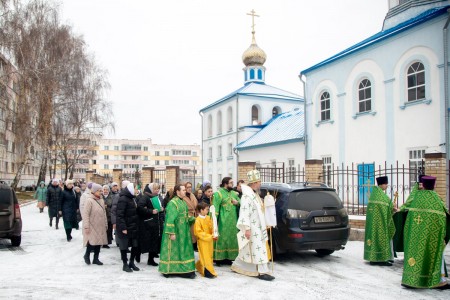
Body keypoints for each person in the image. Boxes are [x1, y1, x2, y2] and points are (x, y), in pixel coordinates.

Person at [401, 176, 450, 289]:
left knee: (415, 254)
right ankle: (438, 281)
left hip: (415, 235)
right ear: (434, 186)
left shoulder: (416, 198)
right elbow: (444, 217)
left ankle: (411, 279)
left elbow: (407, 215)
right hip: (431, 236)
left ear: (422, 185)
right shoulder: (436, 199)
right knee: (436, 255)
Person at [231, 170, 274, 281]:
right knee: (257, 250)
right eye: (259, 182)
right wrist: (247, 229)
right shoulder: (247, 197)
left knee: (250, 250)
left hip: (259, 227)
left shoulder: (255, 194)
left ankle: (238, 266)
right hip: (252, 228)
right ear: (254, 183)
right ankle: (262, 272)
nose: (260, 184)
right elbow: (244, 213)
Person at [159, 184, 196, 279]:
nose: (185, 191)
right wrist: (171, 233)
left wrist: (194, 219)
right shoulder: (173, 203)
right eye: (183, 190)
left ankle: (184, 269)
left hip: (184, 231)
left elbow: (184, 216)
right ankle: (171, 269)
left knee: (183, 250)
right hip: (176, 231)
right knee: (175, 250)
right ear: (177, 191)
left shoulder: (183, 202)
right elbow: (170, 219)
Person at [364, 176, 395, 266]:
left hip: (373, 223)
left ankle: (373, 258)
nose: (386, 186)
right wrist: (393, 208)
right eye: (385, 184)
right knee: (381, 238)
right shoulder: (381, 196)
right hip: (380, 223)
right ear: (381, 184)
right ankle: (382, 259)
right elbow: (388, 205)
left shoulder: (375, 194)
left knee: (374, 238)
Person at [213, 177, 240, 265]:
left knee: (232, 239)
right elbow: (215, 208)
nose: (233, 184)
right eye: (231, 183)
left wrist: (237, 203)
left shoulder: (234, 194)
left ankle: (230, 257)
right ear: (225, 184)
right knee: (222, 239)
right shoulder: (218, 194)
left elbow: (241, 203)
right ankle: (219, 258)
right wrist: (214, 222)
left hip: (233, 222)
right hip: (222, 222)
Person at [137, 183, 165, 266]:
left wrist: (161, 209)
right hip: (147, 224)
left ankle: (151, 259)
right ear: (150, 189)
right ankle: (137, 253)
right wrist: (151, 211)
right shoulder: (145, 197)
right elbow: (139, 208)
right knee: (145, 241)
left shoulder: (157, 197)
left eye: (158, 189)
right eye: (155, 189)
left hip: (156, 223)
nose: (157, 191)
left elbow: (159, 207)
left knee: (154, 241)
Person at [82, 183, 108, 266]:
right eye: (99, 191)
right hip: (92, 225)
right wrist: (86, 226)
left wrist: (105, 223)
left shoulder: (101, 200)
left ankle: (96, 259)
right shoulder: (89, 200)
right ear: (94, 191)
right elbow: (85, 214)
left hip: (100, 225)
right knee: (91, 242)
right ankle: (87, 255)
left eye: (101, 191)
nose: (101, 192)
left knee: (99, 242)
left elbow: (104, 213)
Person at [116, 182, 140, 272]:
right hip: (125, 227)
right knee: (124, 246)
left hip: (133, 226)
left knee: (135, 245)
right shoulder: (123, 199)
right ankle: (125, 264)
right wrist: (123, 228)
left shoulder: (132, 198)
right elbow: (119, 215)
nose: (137, 190)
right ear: (131, 189)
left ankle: (131, 262)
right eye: (136, 188)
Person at [194, 202, 218, 278]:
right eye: (206, 209)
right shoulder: (197, 220)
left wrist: (214, 233)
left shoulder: (208, 218)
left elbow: (211, 227)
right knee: (205, 256)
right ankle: (208, 271)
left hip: (209, 240)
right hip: (202, 241)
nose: (208, 211)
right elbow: (198, 232)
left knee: (209, 255)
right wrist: (209, 236)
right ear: (201, 210)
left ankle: (199, 266)